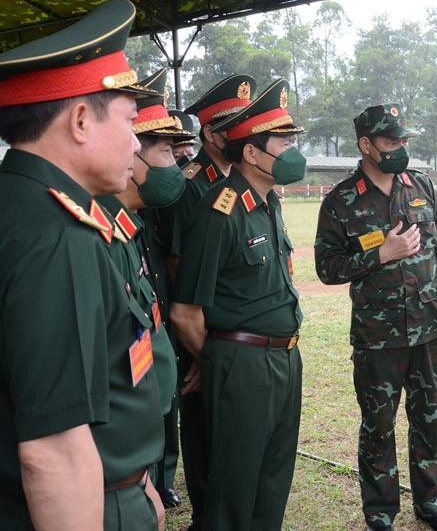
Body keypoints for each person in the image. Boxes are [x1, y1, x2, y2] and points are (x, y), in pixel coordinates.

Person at [0, 0, 165, 530]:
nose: (136, 142)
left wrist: (138, 481)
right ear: (78, 121)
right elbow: (53, 453)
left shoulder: (16, 204)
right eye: (129, 120)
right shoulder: (59, 236)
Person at [314, 103, 437, 531]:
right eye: (391, 141)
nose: (400, 148)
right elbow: (327, 267)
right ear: (366, 145)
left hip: (429, 331)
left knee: (429, 420)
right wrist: (380, 253)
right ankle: (380, 514)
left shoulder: (421, 187)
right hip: (377, 339)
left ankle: (432, 504)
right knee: (378, 427)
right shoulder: (341, 200)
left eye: (403, 141)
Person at [171, 78, 307, 531]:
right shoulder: (219, 211)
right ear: (251, 152)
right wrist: (218, 365)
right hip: (243, 363)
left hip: (284, 358)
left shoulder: (268, 204)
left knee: (271, 484)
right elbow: (185, 313)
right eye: (283, 141)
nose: (292, 150)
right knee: (232, 492)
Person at [96, 67, 194, 514]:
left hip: (135, 461)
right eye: (166, 153)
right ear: (131, 156)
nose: (175, 164)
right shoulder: (96, 238)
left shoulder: (129, 230)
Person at [164, 73, 256, 529]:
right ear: (211, 134)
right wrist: (206, 353)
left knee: (237, 442)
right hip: (204, 339)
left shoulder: (246, 181)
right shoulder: (190, 185)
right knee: (204, 433)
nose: (242, 135)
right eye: (231, 127)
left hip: (236, 342)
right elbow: (180, 271)